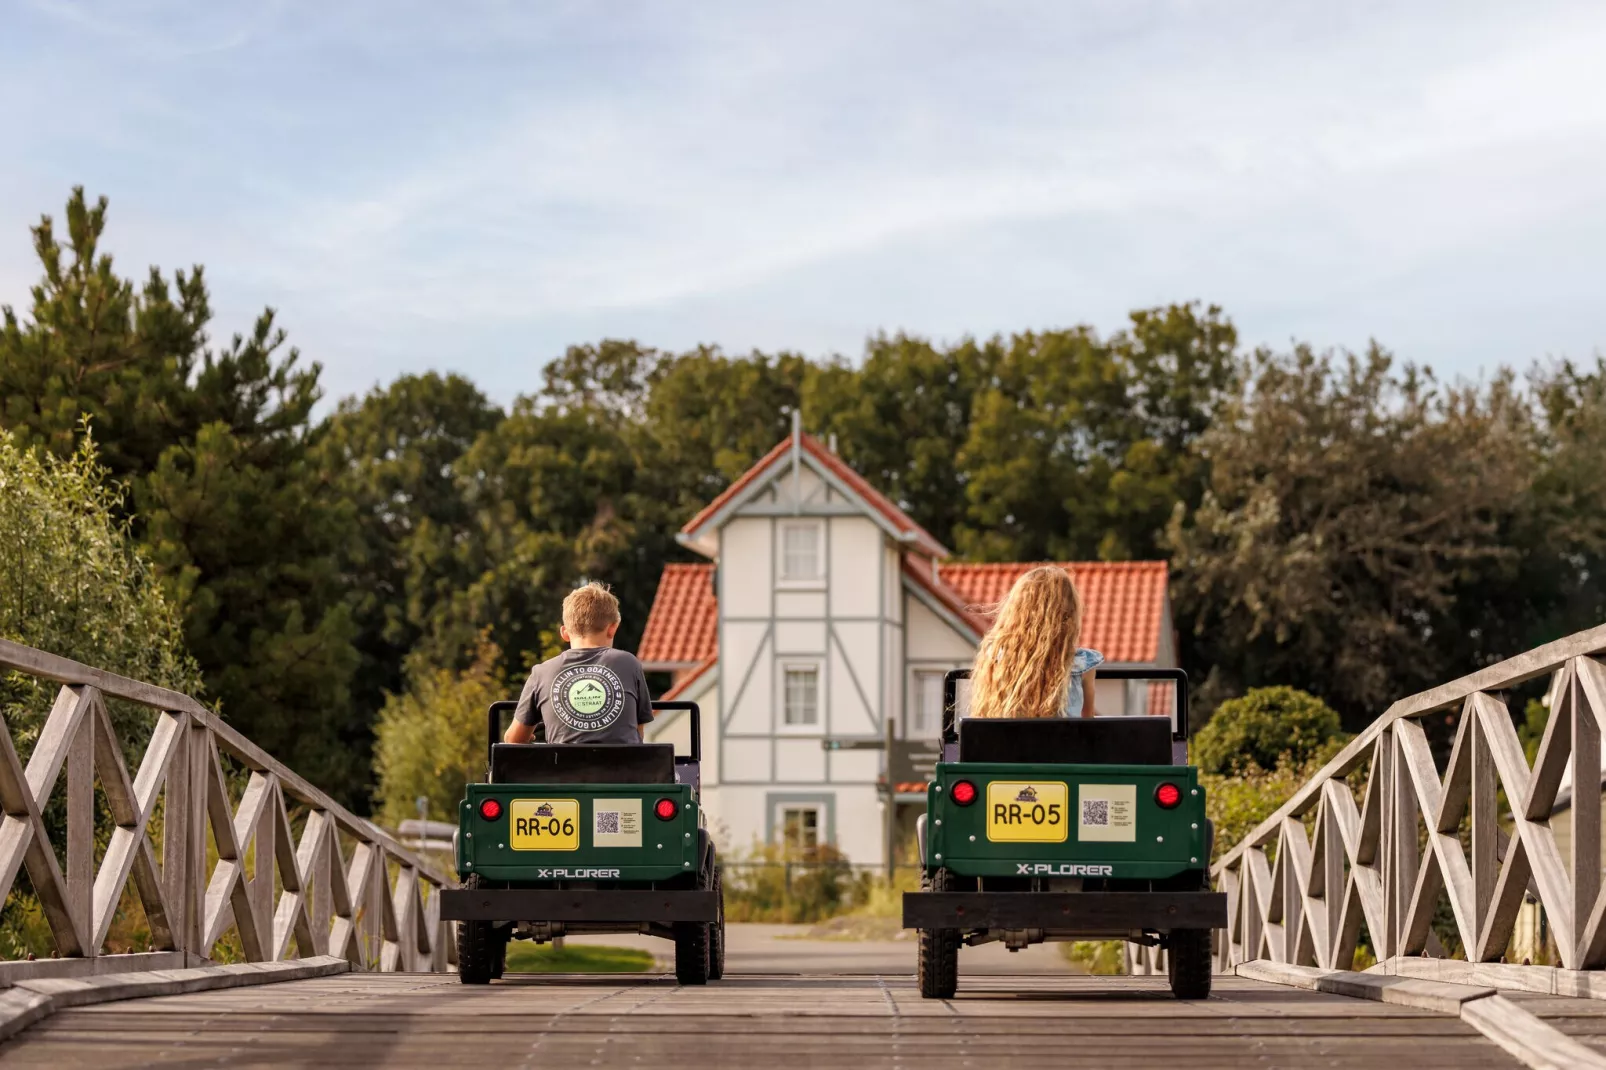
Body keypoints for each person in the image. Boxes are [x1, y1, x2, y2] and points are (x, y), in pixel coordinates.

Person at [505, 582, 654, 744]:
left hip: (562, 768)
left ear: (565, 633)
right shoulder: (629, 664)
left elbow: (513, 740)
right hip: (622, 768)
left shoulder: (541, 672)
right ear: (613, 629)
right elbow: (638, 733)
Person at [967, 565, 1103, 719]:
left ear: (1016, 612)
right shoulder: (1082, 664)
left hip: (1009, 743)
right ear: (1069, 614)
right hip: (1065, 742)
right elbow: (1088, 723)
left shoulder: (997, 657)